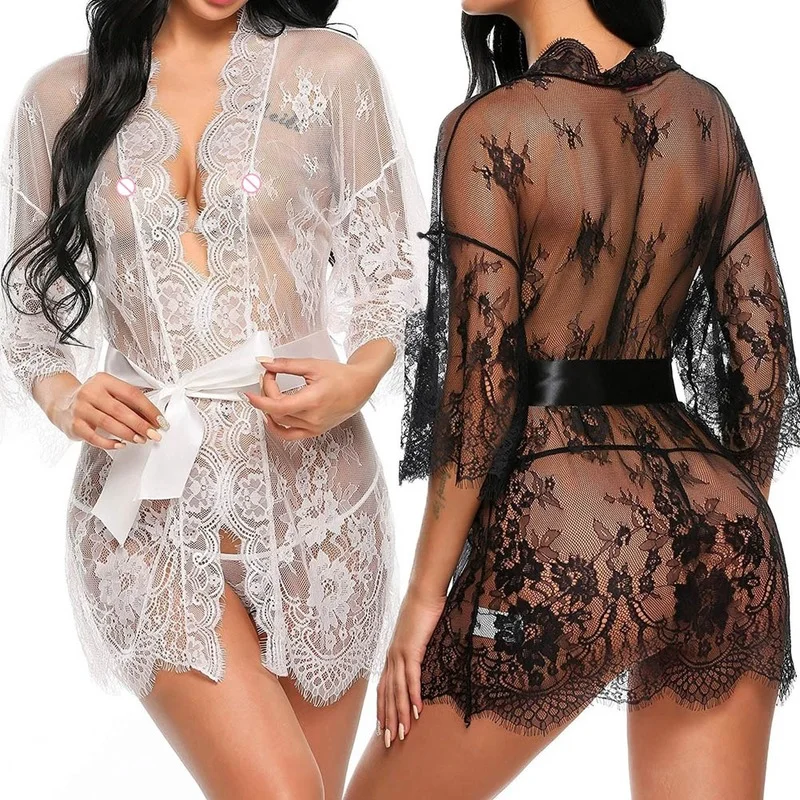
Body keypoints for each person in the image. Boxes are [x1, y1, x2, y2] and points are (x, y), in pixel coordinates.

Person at [346, 1, 798, 798]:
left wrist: (423, 604)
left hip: (561, 550)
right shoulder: (705, 113)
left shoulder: (492, 129)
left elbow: (482, 387)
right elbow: (764, 356)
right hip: (726, 539)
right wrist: (714, 533)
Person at [0, 1, 425, 797]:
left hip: (323, 510)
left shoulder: (332, 72)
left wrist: (358, 378)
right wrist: (66, 399)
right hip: (143, 512)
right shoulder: (59, 97)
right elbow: (25, 326)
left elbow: (392, 284)